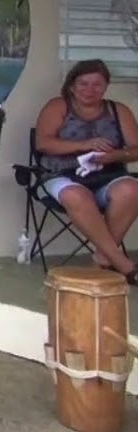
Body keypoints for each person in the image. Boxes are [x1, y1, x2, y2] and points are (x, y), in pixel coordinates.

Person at [33, 59, 138, 284]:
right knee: (77, 196)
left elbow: (135, 149)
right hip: (61, 175)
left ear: (106, 86)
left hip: (108, 175)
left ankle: (103, 258)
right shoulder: (58, 106)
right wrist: (85, 145)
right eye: (83, 84)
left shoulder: (118, 110)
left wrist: (113, 156)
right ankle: (122, 263)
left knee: (132, 189)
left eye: (97, 84)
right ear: (72, 86)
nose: (90, 90)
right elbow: (43, 143)